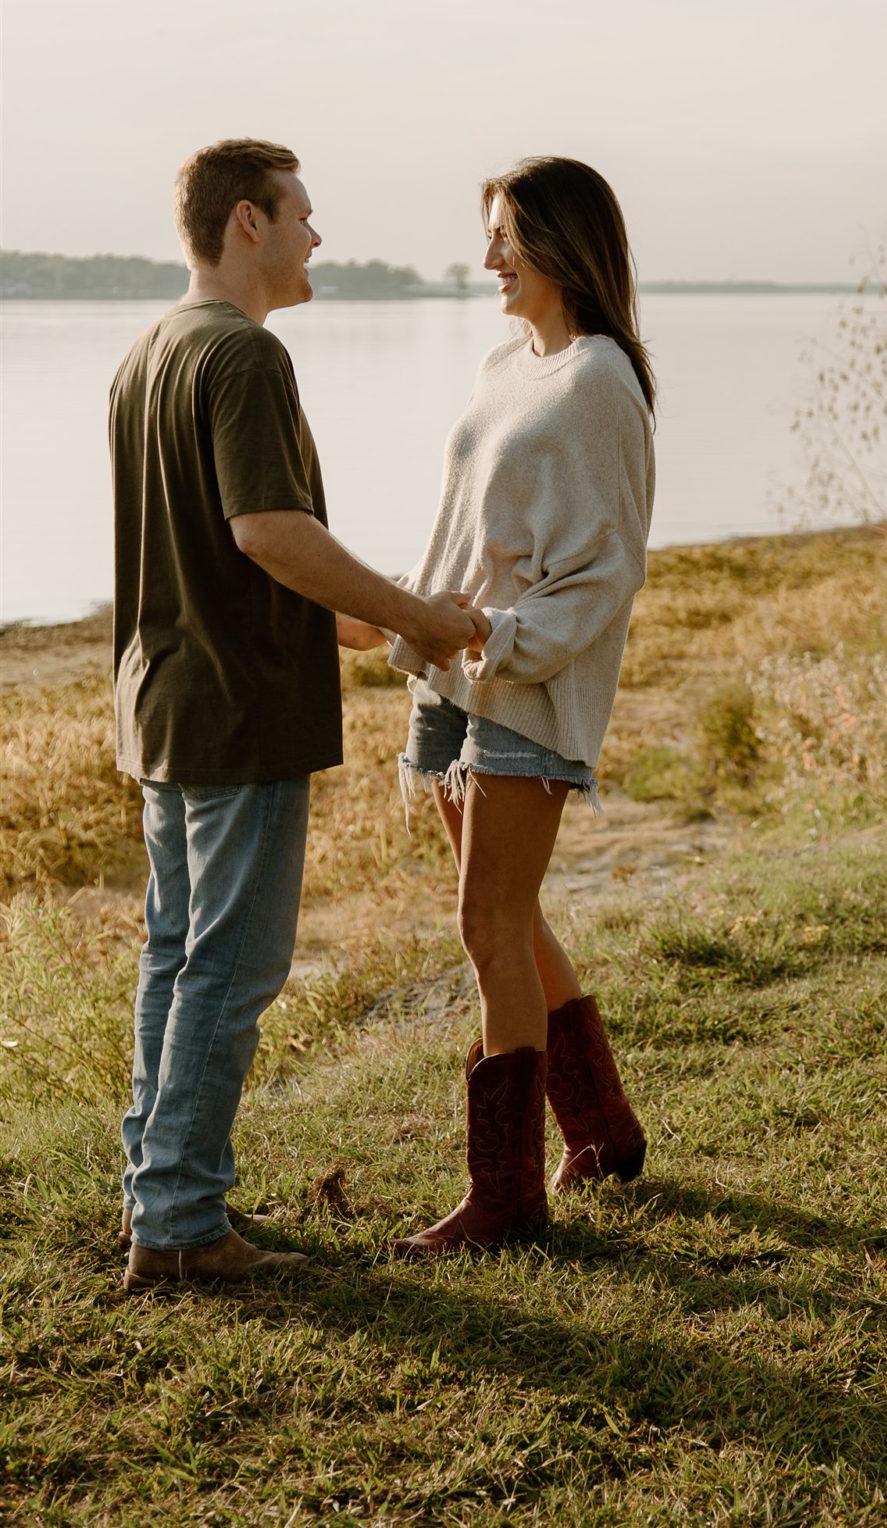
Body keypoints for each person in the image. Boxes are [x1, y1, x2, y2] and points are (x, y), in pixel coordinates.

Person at [112, 138, 475, 1291]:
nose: (321, 237)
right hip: (237, 712)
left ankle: (160, 1188)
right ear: (246, 223)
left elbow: (221, 552)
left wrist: (359, 622)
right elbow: (265, 530)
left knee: (178, 958)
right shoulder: (243, 357)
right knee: (231, 966)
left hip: (163, 704)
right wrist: (419, 612)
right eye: (303, 215)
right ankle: (178, 1223)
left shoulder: (148, 353)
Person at [388, 157, 655, 1257]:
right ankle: (601, 1128)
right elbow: (461, 520)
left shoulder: (598, 379)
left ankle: (504, 1202)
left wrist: (501, 637)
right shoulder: (509, 364)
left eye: (507, 236)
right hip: (452, 672)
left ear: (559, 244)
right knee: (508, 909)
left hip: (522, 678)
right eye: (488, 235)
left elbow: (606, 570)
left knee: (487, 923)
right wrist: (407, 619)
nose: (489, 257)